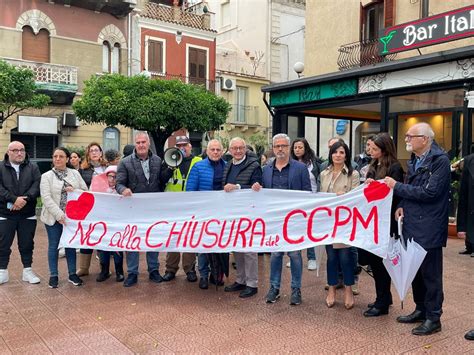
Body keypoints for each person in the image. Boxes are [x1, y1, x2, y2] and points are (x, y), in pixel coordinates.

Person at [385, 122, 450, 336]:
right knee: (416, 272)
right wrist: (402, 205)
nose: (407, 140)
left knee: (431, 275)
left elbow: (429, 193)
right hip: (413, 223)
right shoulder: (415, 159)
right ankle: (420, 309)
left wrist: (397, 186)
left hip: (430, 226)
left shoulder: (439, 161)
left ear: (425, 139)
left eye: (410, 136)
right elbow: (413, 189)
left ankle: (433, 317)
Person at [252, 133, 311, 306]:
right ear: (273, 148)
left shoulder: (300, 169)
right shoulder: (266, 169)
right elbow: (263, 194)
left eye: (283, 146)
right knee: (276, 254)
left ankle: (296, 289)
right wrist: (257, 187)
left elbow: (307, 194)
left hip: (294, 220)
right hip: (274, 221)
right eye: (277, 146)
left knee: (294, 255)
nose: (280, 149)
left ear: (289, 147)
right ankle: (274, 288)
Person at [362, 133, 404, 317]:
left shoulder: (394, 167)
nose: (371, 151)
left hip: (386, 223)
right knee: (375, 261)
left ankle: (382, 302)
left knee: (381, 263)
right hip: (374, 222)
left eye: (375, 149)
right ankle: (384, 297)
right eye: (371, 148)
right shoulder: (373, 165)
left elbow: (396, 193)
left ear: (384, 149)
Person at [116, 131, 164, 287]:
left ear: (148, 143)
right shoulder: (125, 162)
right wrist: (123, 190)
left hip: (153, 208)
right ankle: (132, 273)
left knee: (153, 239)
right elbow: (119, 183)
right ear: (135, 144)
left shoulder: (158, 160)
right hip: (133, 209)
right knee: (132, 241)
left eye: (144, 142)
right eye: (138, 143)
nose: (141, 145)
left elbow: (162, 182)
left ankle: (154, 270)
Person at [320, 141, 360, 310]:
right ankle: (332, 289)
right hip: (328, 222)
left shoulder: (353, 174)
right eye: (335, 152)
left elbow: (356, 197)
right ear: (331, 154)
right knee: (331, 258)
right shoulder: (324, 173)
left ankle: (349, 290)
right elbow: (319, 197)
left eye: (341, 152)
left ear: (346, 155)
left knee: (345, 257)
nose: (338, 155)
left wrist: (342, 196)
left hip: (344, 222)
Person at [40, 147, 88, 288]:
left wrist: (76, 191)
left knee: (70, 245)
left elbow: (85, 191)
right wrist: (59, 215)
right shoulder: (46, 176)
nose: (58, 159)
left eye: (61, 156)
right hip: (53, 218)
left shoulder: (74, 174)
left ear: (67, 159)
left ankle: (72, 274)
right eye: (55, 156)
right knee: (54, 245)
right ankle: (53, 275)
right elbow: (46, 198)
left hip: (72, 218)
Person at [222, 137, 262, 298]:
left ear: (245, 149)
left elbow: (258, 187)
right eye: (234, 148)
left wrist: (237, 187)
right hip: (233, 213)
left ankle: (252, 283)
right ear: (230, 150)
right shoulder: (228, 164)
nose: (238, 151)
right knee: (237, 247)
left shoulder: (254, 166)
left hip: (249, 213)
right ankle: (241, 279)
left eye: (241, 148)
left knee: (250, 250)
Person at [186, 139, 227, 290]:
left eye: (218, 150)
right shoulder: (198, 167)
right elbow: (190, 191)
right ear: (207, 151)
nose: (215, 152)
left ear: (222, 151)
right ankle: (203, 274)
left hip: (221, 214)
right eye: (212, 150)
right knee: (203, 246)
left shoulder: (226, 167)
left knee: (219, 246)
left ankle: (217, 273)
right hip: (203, 213)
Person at [161, 136, 201, 283]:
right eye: (179, 145)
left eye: (185, 145)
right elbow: (162, 180)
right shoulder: (169, 160)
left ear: (191, 146)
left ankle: (189, 269)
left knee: (190, 238)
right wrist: (170, 167)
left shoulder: (198, 162)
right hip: (173, 206)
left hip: (191, 206)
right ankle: (170, 269)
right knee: (173, 237)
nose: (182, 147)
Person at [0, 141, 41, 285]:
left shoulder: (33, 167)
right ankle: (2, 272)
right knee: (3, 244)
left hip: (27, 213)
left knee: (27, 244)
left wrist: (24, 200)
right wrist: (13, 199)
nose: (19, 153)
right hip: (5, 213)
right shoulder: (0, 167)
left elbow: (36, 186)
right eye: (15, 150)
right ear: (8, 152)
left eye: (22, 150)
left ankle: (27, 271)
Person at [290, 137, 321, 271]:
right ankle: (294, 256)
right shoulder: (289, 163)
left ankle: (311, 258)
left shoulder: (314, 163)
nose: (297, 150)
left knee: (310, 229)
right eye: (295, 147)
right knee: (296, 229)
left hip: (312, 199)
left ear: (306, 148)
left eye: (300, 147)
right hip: (295, 201)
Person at [77, 142, 108, 277]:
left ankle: (104, 268)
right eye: (91, 151)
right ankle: (84, 268)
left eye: (97, 150)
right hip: (89, 209)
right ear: (88, 154)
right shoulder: (82, 170)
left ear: (101, 153)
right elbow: (79, 187)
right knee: (87, 236)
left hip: (105, 208)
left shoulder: (108, 168)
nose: (94, 153)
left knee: (103, 237)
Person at [92, 165, 124, 282]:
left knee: (117, 247)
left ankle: (119, 271)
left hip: (117, 222)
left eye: (115, 177)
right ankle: (104, 271)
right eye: (110, 176)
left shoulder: (122, 190)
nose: (112, 179)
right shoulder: (99, 189)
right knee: (103, 247)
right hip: (103, 222)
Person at [457, 152, 474, 257]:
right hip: (469, 193)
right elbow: (464, 184)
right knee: (466, 211)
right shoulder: (469, 159)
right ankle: (470, 245)